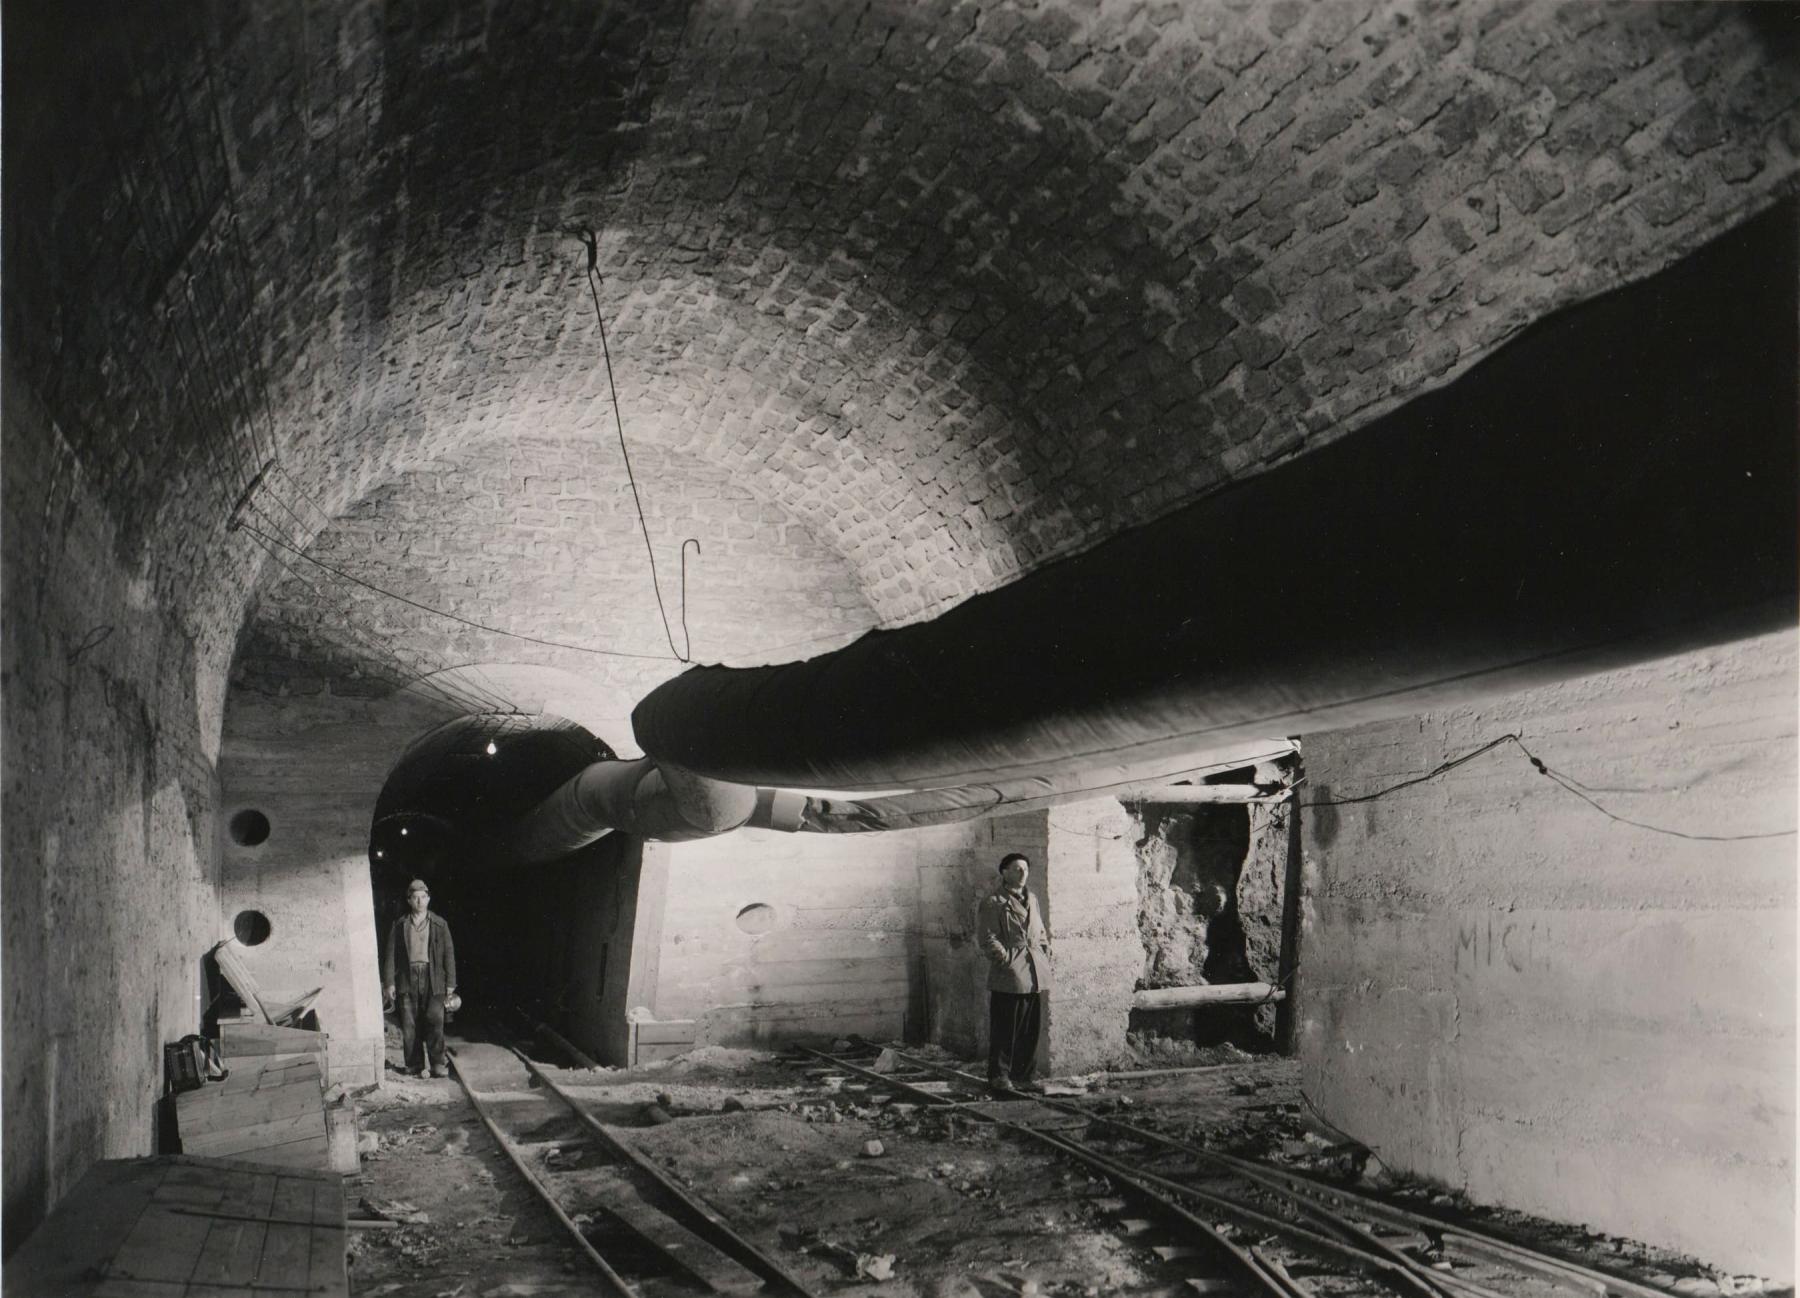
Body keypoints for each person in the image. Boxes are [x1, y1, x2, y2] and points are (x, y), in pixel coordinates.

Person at [977, 851, 1052, 1093]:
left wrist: (1044, 950)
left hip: (1034, 970)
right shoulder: (993, 902)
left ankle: (1024, 1076)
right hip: (1010, 973)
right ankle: (999, 1076)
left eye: (1026, 870)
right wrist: (1007, 961)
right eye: (1017, 869)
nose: (1022, 874)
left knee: (1030, 1027)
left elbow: (1040, 930)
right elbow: (987, 938)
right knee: (1006, 1027)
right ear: (1004, 872)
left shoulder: (1033, 899)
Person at [382, 879, 457, 1078]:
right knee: (409, 1022)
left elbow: (449, 954)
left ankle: (438, 1064)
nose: (419, 901)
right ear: (409, 900)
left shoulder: (440, 924)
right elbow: (390, 956)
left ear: (429, 899)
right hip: (408, 978)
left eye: (423, 897)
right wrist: (389, 982)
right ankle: (414, 1064)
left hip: (434, 978)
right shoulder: (400, 925)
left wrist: (451, 983)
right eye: (415, 897)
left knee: (435, 1019)